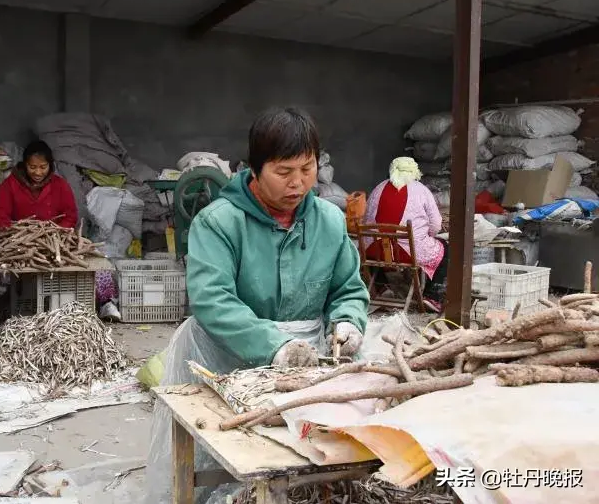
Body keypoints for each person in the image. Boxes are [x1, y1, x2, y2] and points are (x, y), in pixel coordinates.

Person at [145, 107, 370, 503]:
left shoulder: (330, 222)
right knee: (219, 458)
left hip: (306, 359)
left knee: (302, 458)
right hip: (223, 358)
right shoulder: (218, 222)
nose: (298, 183)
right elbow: (213, 300)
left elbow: (347, 289)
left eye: (308, 168)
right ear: (254, 168)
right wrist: (274, 345)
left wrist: (348, 320)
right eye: (284, 172)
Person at [0, 141, 120, 319]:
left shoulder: (60, 185)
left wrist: (55, 231)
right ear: (24, 165)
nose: (37, 172)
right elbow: (0, 216)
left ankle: (106, 303)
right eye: (32, 167)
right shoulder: (10, 185)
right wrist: (16, 232)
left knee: (95, 262)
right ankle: (5, 311)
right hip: (20, 243)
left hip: (58, 242)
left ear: (50, 165)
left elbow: (70, 215)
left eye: (43, 167)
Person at [364, 156, 447, 311]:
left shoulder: (378, 188)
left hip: (374, 251)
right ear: (415, 171)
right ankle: (432, 296)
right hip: (406, 253)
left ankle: (380, 287)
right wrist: (428, 235)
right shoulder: (421, 190)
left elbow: (366, 218)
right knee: (444, 247)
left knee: (378, 243)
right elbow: (436, 224)